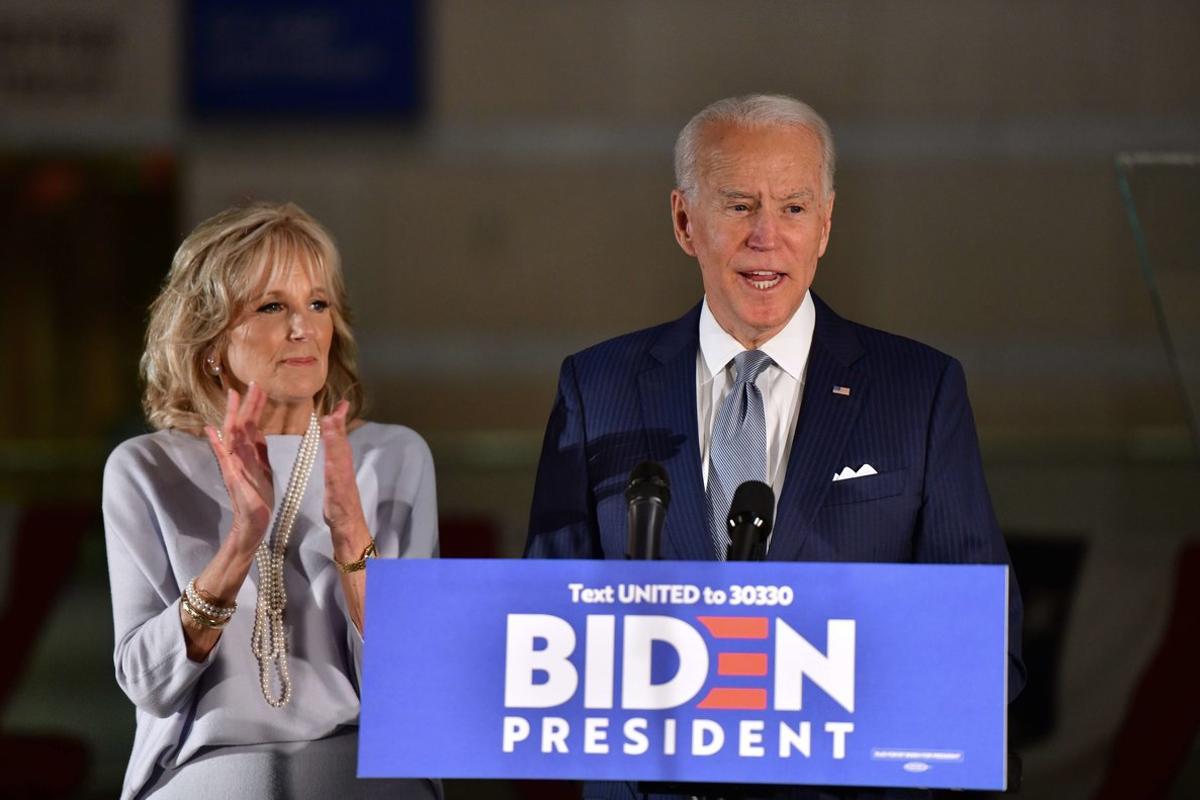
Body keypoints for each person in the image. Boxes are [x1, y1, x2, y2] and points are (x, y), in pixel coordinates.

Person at [524, 95, 1024, 800]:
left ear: (826, 224)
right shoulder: (597, 387)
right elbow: (542, 634)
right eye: (738, 206)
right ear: (683, 221)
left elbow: (983, 640)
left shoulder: (919, 391)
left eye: (792, 208)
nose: (767, 236)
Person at [103, 202, 441, 800]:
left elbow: (416, 683)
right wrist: (239, 544)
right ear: (209, 339)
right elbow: (146, 682)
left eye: (318, 304)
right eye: (271, 306)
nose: (302, 328)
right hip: (202, 775)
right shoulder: (145, 468)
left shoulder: (395, 456)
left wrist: (350, 532)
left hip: (364, 774)